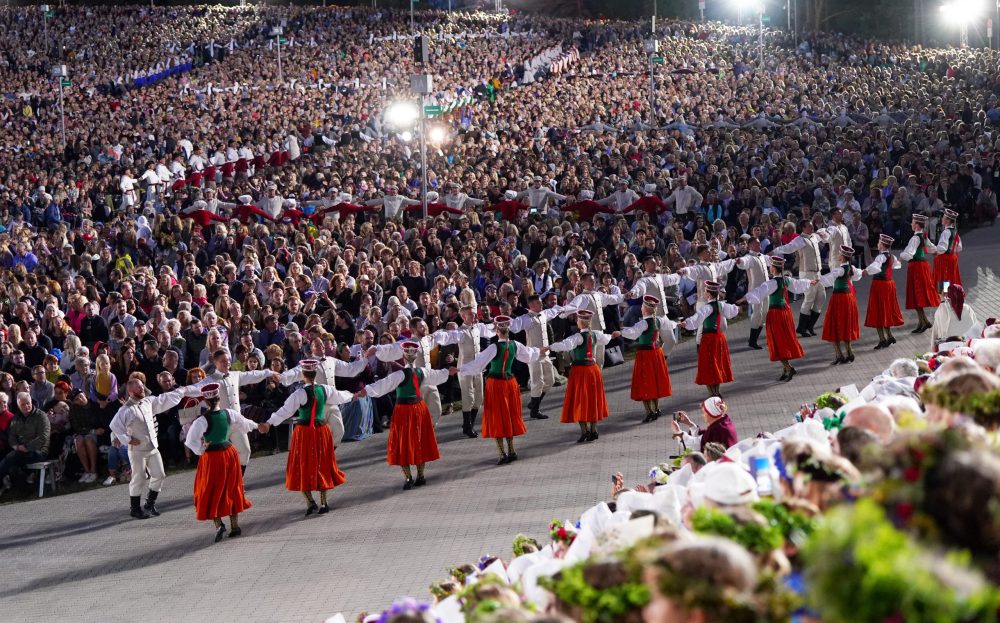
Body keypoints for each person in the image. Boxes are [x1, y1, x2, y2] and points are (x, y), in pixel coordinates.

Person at [259, 360, 356, 514]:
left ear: (303, 375)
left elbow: (285, 411)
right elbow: (340, 396)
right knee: (321, 464)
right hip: (321, 431)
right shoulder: (325, 389)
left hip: (304, 433)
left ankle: (310, 502)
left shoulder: (299, 394)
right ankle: (324, 502)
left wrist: (269, 423)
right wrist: (353, 395)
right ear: (315, 374)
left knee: (301, 465)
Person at [359, 343, 455, 490]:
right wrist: (448, 371)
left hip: (404, 411)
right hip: (418, 409)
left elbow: (383, 385)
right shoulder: (421, 371)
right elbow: (438, 375)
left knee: (403, 443)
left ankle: (409, 477)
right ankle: (420, 476)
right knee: (418, 441)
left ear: (403, 357)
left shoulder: (400, 375)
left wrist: (366, 390)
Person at [457, 316, 544, 465]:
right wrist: (540, 350)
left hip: (496, 385)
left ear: (497, 330)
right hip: (510, 384)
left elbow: (478, 364)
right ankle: (512, 450)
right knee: (509, 416)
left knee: (497, 417)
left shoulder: (494, 347)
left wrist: (461, 369)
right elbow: (529, 356)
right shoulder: (515, 345)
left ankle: (502, 453)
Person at [109, 378, 198, 519]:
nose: (142, 389)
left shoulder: (149, 402)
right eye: (138, 387)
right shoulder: (126, 409)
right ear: (130, 391)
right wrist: (128, 439)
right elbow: (114, 426)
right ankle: (135, 509)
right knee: (139, 478)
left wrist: (181, 391)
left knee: (159, 475)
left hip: (152, 447)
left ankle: (150, 504)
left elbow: (164, 399)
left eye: (142, 386)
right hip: (137, 451)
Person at [184, 383, 256, 542]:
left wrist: (201, 449)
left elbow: (190, 441)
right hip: (229, 453)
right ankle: (235, 526)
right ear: (219, 399)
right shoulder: (229, 413)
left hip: (212, 457)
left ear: (205, 401)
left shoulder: (202, 420)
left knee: (210, 490)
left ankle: (219, 525)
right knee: (231, 488)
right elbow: (246, 424)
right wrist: (259, 426)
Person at [548, 310, 620, 443]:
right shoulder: (595, 334)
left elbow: (565, 345)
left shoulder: (578, 337)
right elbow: (606, 338)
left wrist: (549, 347)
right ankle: (594, 430)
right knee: (592, 399)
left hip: (580, 372)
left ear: (580, 322)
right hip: (593, 370)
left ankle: (585, 431)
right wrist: (612, 335)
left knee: (580, 400)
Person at [199, 349, 275, 474]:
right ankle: (222, 481)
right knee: (221, 457)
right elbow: (196, 388)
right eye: (223, 361)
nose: (227, 363)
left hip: (236, 422)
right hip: (220, 424)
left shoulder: (235, 375)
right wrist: (183, 391)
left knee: (245, 451)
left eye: (228, 360)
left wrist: (269, 373)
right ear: (215, 363)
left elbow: (253, 375)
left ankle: (238, 479)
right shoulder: (209, 379)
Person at [736, 257, 809, 381]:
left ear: (774, 269)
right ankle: (785, 370)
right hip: (786, 313)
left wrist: (745, 298)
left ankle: (789, 367)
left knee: (777, 342)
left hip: (776, 314)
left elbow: (759, 291)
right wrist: (810, 281)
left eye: (771, 266)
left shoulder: (772, 283)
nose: (769, 268)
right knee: (783, 340)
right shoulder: (786, 279)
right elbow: (798, 284)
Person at [436, 305, 496, 439]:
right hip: (465, 368)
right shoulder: (460, 332)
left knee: (479, 397)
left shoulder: (477, 328)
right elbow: (448, 337)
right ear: (463, 317)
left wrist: (497, 325)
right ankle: (468, 426)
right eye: (470, 314)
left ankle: (468, 424)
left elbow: (490, 330)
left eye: (474, 314)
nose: (474, 316)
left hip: (478, 367)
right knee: (469, 397)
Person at [620, 295, 677, 422]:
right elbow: (670, 325)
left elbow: (633, 333)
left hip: (645, 355)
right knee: (655, 380)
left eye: (642, 306)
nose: (641, 308)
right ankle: (656, 408)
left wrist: (621, 332)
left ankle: (649, 412)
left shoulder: (643, 323)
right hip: (656, 353)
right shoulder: (659, 320)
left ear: (644, 309)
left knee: (645, 382)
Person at [508, 295, 566, 420]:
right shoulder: (526, 318)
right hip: (534, 355)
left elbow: (554, 311)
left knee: (550, 380)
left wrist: (565, 307)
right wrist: (503, 322)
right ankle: (535, 410)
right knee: (537, 382)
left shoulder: (543, 314)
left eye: (541, 302)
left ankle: (534, 402)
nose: (541, 304)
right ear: (531, 305)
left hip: (545, 354)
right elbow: (514, 326)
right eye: (539, 303)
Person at [771, 220, 829, 338]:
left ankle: (810, 325)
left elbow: (824, 235)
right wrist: (774, 251)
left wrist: (824, 232)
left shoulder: (814, 236)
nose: (812, 228)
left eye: (812, 226)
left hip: (817, 273)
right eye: (809, 226)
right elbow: (788, 248)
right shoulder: (800, 240)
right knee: (809, 299)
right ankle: (802, 327)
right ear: (803, 228)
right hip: (807, 273)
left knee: (821, 297)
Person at [680, 281, 739, 397]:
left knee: (708, 364)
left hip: (709, 339)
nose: (704, 293)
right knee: (717, 363)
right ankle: (717, 391)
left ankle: (712, 393)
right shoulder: (721, 305)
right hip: (719, 338)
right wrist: (738, 307)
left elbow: (697, 318)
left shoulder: (707, 307)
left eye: (705, 291)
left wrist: (686, 323)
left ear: (709, 294)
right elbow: (732, 310)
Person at [815, 246, 864, 365]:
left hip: (839, 299)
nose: (838, 255)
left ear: (843, 257)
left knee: (833, 325)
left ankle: (840, 355)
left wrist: (817, 279)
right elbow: (858, 274)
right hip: (848, 298)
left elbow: (829, 278)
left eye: (839, 253)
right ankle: (849, 352)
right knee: (845, 324)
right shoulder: (851, 268)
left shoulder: (840, 270)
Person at [0, 392, 50, 497]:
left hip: (39, 451)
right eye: (23, 404)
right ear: (18, 405)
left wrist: (26, 447)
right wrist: (17, 446)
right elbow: (12, 437)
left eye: (28, 403)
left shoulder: (41, 416)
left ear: (31, 402)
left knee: (11, 457)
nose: (26, 406)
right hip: (21, 451)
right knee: (13, 468)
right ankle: (27, 491)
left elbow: (43, 437)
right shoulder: (17, 418)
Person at [900, 213, 940, 334]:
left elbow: (910, 253)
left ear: (917, 225)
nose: (911, 224)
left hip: (917, 267)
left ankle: (924, 322)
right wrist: (935, 251)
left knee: (917, 295)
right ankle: (923, 322)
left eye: (912, 223)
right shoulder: (923, 236)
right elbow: (932, 247)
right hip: (922, 266)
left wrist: (902, 256)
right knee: (918, 295)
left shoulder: (915, 238)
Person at [864, 234, 905, 350]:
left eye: (879, 243)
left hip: (880, 285)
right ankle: (889, 336)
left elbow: (875, 267)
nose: (878, 244)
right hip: (889, 284)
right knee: (886, 310)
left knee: (878, 310)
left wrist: (865, 271)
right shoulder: (891, 256)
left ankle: (882, 339)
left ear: (882, 245)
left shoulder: (880, 257)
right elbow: (897, 265)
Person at [670, 396, 739, 451]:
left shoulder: (717, 429)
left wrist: (678, 432)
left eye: (704, 412)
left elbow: (695, 445)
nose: (702, 415)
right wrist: (689, 424)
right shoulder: (724, 422)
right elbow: (704, 437)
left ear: (710, 413)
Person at [931, 284, 980, 351]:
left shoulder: (944, 310)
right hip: (968, 346)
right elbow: (976, 327)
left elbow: (936, 331)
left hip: (949, 348)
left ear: (948, 297)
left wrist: (942, 299)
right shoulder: (967, 308)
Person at [933, 208, 963, 289]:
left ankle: (944, 293)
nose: (942, 219)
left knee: (944, 277)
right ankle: (951, 292)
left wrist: (935, 250)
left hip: (945, 258)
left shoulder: (946, 232)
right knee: (951, 277)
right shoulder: (955, 232)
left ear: (948, 221)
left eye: (944, 217)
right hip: (953, 257)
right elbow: (959, 247)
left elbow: (942, 248)